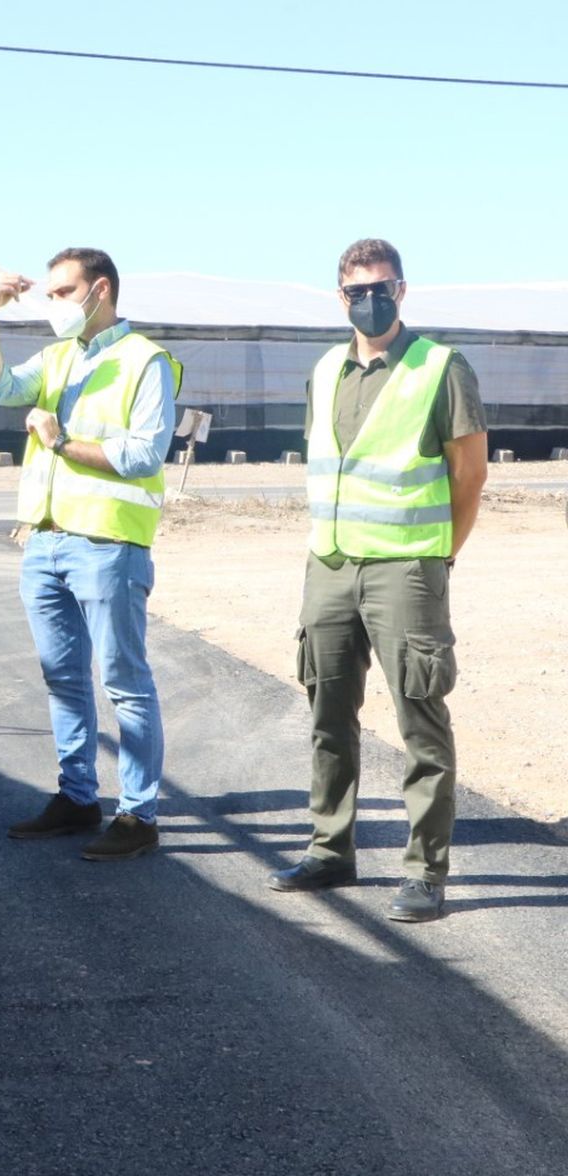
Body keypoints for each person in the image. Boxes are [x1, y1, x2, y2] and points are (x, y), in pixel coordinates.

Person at [267, 239, 487, 922]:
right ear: (340, 298)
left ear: (402, 291)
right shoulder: (327, 368)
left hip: (406, 570)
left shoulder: (440, 368)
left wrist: (439, 554)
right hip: (329, 566)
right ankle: (330, 850)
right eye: (358, 291)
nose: (371, 300)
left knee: (420, 719)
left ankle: (425, 870)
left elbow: (470, 474)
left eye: (383, 287)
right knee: (328, 716)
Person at [0, 249, 182, 861]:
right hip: (45, 541)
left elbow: (146, 455)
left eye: (64, 292)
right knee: (63, 679)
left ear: (101, 290)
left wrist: (60, 440)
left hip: (109, 544)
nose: (53, 304)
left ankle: (138, 814)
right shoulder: (60, 357)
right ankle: (77, 796)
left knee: (124, 682)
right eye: (50, 294)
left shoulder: (146, 360)